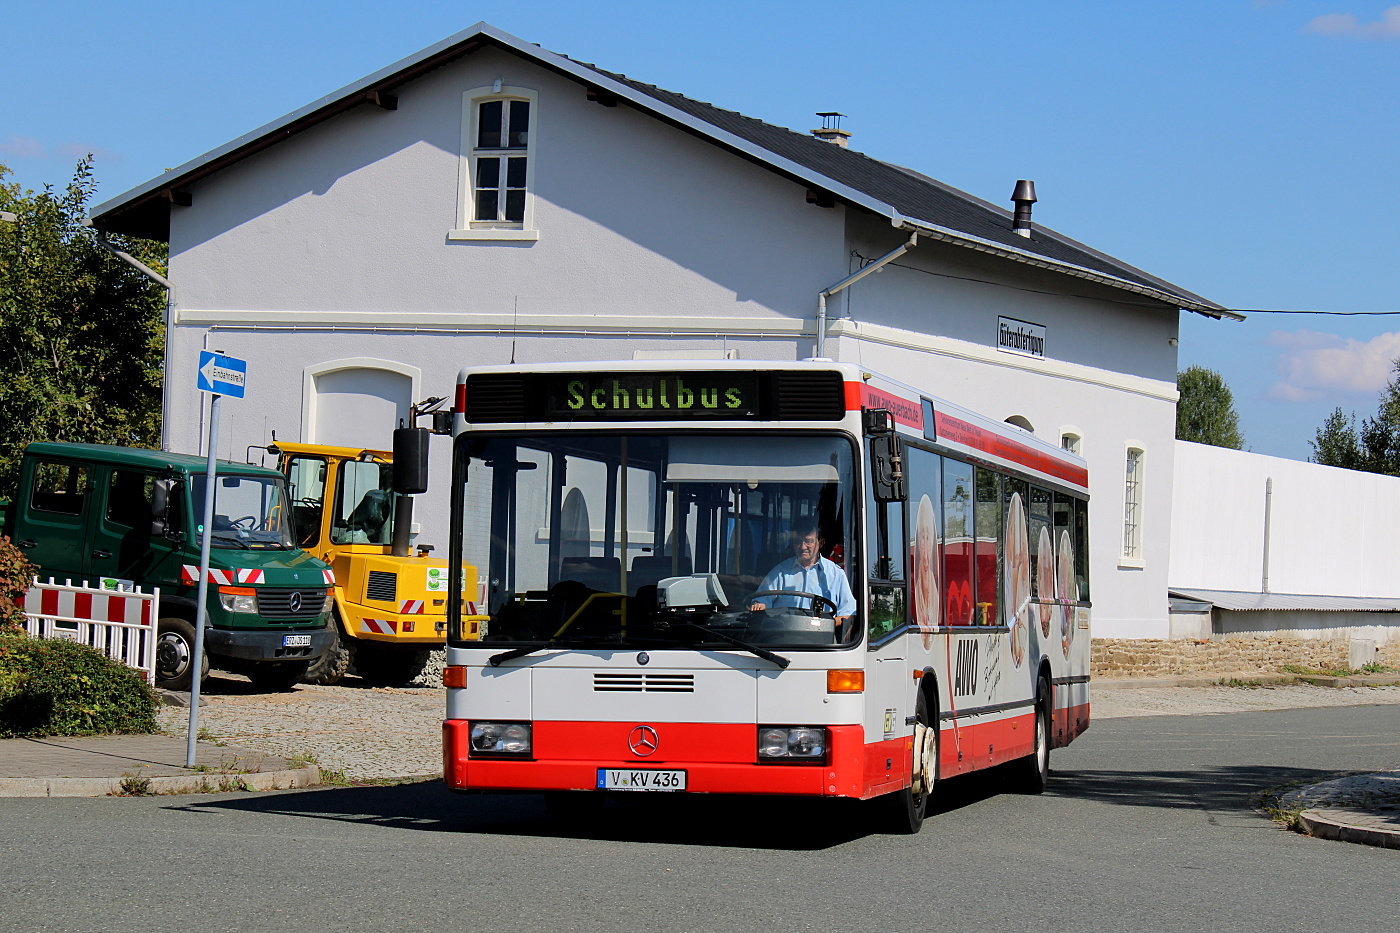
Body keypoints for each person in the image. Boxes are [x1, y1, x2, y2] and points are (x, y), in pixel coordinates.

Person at [749, 520, 856, 624]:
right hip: (783, 635)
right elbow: (761, 600)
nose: (803, 547)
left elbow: (848, 613)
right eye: (798, 542)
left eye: (808, 541)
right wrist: (760, 605)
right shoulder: (780, 572)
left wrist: (824, 624)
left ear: (821, 543)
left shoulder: (835, 574)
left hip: (822, 638)